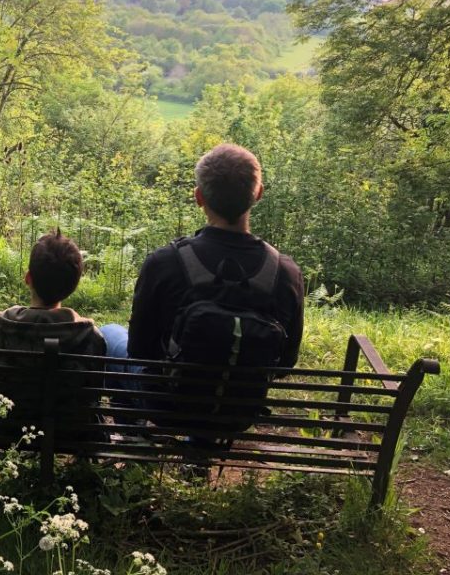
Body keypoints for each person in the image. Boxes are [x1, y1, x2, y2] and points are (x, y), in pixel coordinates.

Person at [102, 143, 304, 427]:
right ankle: (201, 445)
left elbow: (139, 351)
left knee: (110, 334)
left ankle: (131, 430)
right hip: (238, 413)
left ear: (199, 197)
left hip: (168, 408)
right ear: (258, 194)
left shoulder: (165, 262)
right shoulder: (286, 272)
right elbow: (284, 363)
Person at [0, 231, 106, 445]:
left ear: (28, 277)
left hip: (1, 429)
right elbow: (92, 397)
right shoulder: (92, 339)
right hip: (71, 434)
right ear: (74, 285)